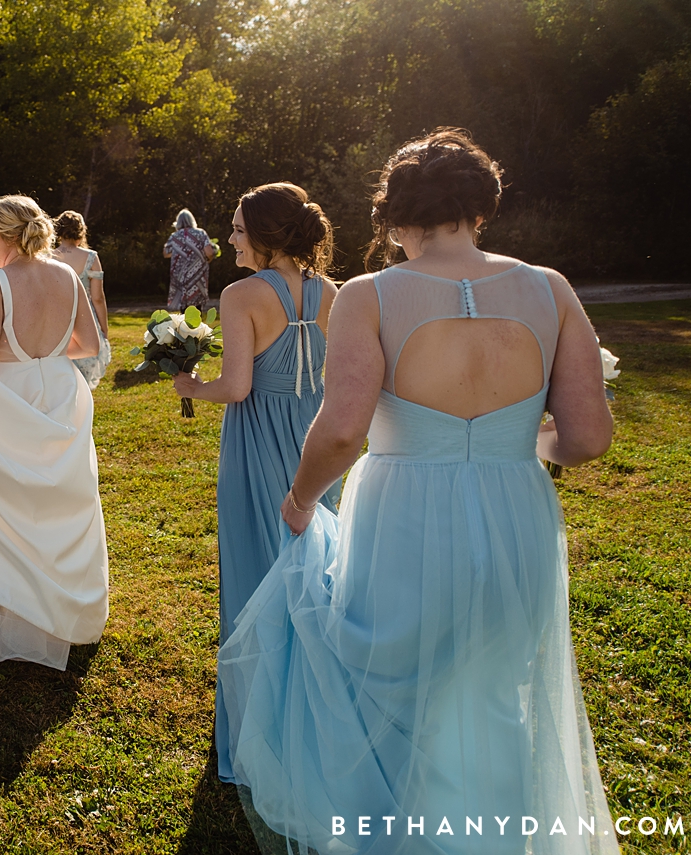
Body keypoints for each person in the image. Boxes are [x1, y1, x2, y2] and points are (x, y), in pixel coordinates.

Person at [216, 129, 618, 854]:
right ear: (480, 209)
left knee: (391, 681)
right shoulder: (549, 288)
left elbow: (342, 430)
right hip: (515, 510)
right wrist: (527, 442)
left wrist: (302, 499)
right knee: (494, 685)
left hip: (404, 510)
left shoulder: (372, 294)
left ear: (395, 216)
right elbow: (588, 438)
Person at [171, 183, 339, 785]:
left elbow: (238, 386)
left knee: (254, 572)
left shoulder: (243, 294)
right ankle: (317, 717)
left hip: (257, 438)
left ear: (266, 236)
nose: (230, 238)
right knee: (313, 573)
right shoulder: (330, 292)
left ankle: (258, 732)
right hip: (315, 438)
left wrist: (192, 387)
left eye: (239, 229)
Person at [0, 195, 108, 671]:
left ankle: (0, 599)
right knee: (58, 500)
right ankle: (55, 608)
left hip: (10, 398)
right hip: (60, 393)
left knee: (1, 498)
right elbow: (88, 345)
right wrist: (45, 358)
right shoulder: (69, 275)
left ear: (5, 236)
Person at [53, 210, 112, 389]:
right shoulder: (91, 257)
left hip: (56, 320)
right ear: (80, 231)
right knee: (83, 373)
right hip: (85, 319)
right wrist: (103, 328)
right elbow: (98, 298)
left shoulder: (47, 257)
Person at [163, 208, 217, 311]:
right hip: (197, 276)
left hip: (180, 277)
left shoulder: (175, 236)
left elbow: (166, 253)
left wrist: (179, 252)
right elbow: (209, 252)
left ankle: (182, 326)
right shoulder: (201, 234)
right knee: (196, 309)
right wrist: (208, 258)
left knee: (183, 309)